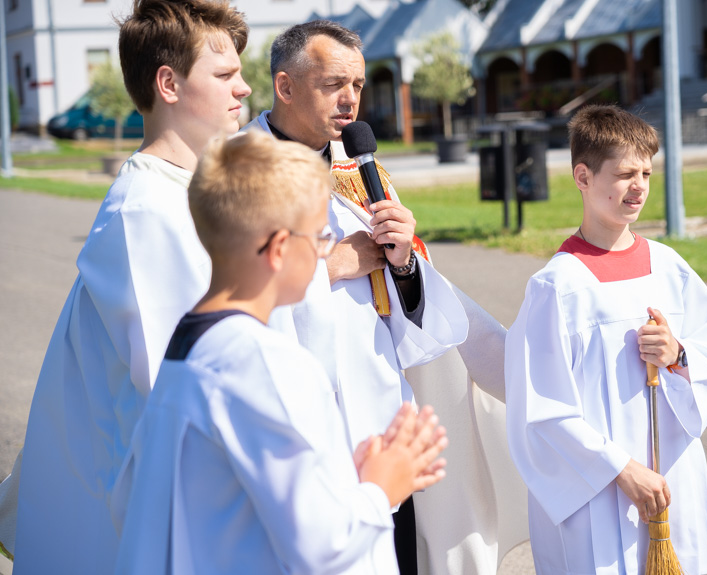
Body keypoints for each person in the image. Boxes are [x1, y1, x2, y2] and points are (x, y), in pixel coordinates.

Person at [110, 131, 450, 575]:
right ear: (278, 250)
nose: (325, 250)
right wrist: (382, 486)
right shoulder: (266, 362)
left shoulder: (190, 345)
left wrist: (342, 478)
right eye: (320, 238)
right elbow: (321, 545)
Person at [13, 1, 251, 572]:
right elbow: (184, 391)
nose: (244, 88)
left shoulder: (187, 194)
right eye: (224, 75)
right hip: (141, 530)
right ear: (168, 83)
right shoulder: (145, 213)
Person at [242, 20, 474, 574]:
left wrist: (404, 261)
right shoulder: (236, 170)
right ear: (285, 85)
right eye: (333, 84)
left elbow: (411, 313)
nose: (350, 101)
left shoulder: (360, 171)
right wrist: (329, 266)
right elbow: (222, 295)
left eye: (359, 85)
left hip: (377, 415)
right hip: (294, 426)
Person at [505, 105, 707, 575]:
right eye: (624, 174)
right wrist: (621, 469)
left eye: (647, 174)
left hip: (673, 476)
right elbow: (540, 410)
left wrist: (679, 354)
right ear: (582, 177)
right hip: (601, 489)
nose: (639, 187)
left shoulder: (668, 266)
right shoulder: (558, 287)